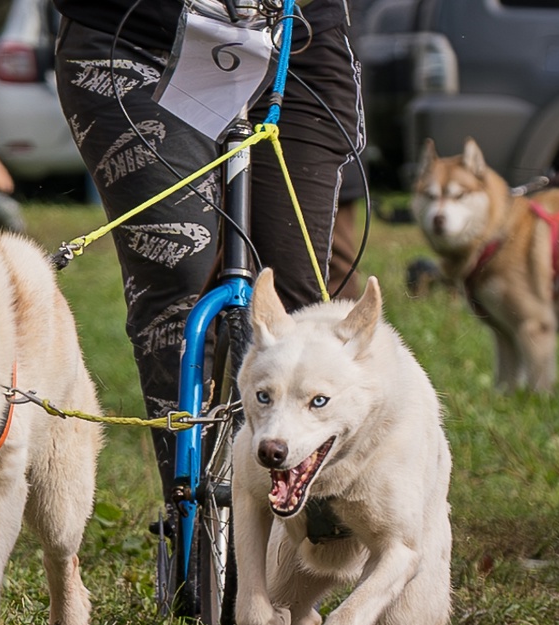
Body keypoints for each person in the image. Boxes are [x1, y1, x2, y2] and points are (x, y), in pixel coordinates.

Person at [53, 0, 363, 495]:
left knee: (295, 302)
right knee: (178, 286)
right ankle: (192, 524)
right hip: (134, 33)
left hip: (293, 40)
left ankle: (299, 519)